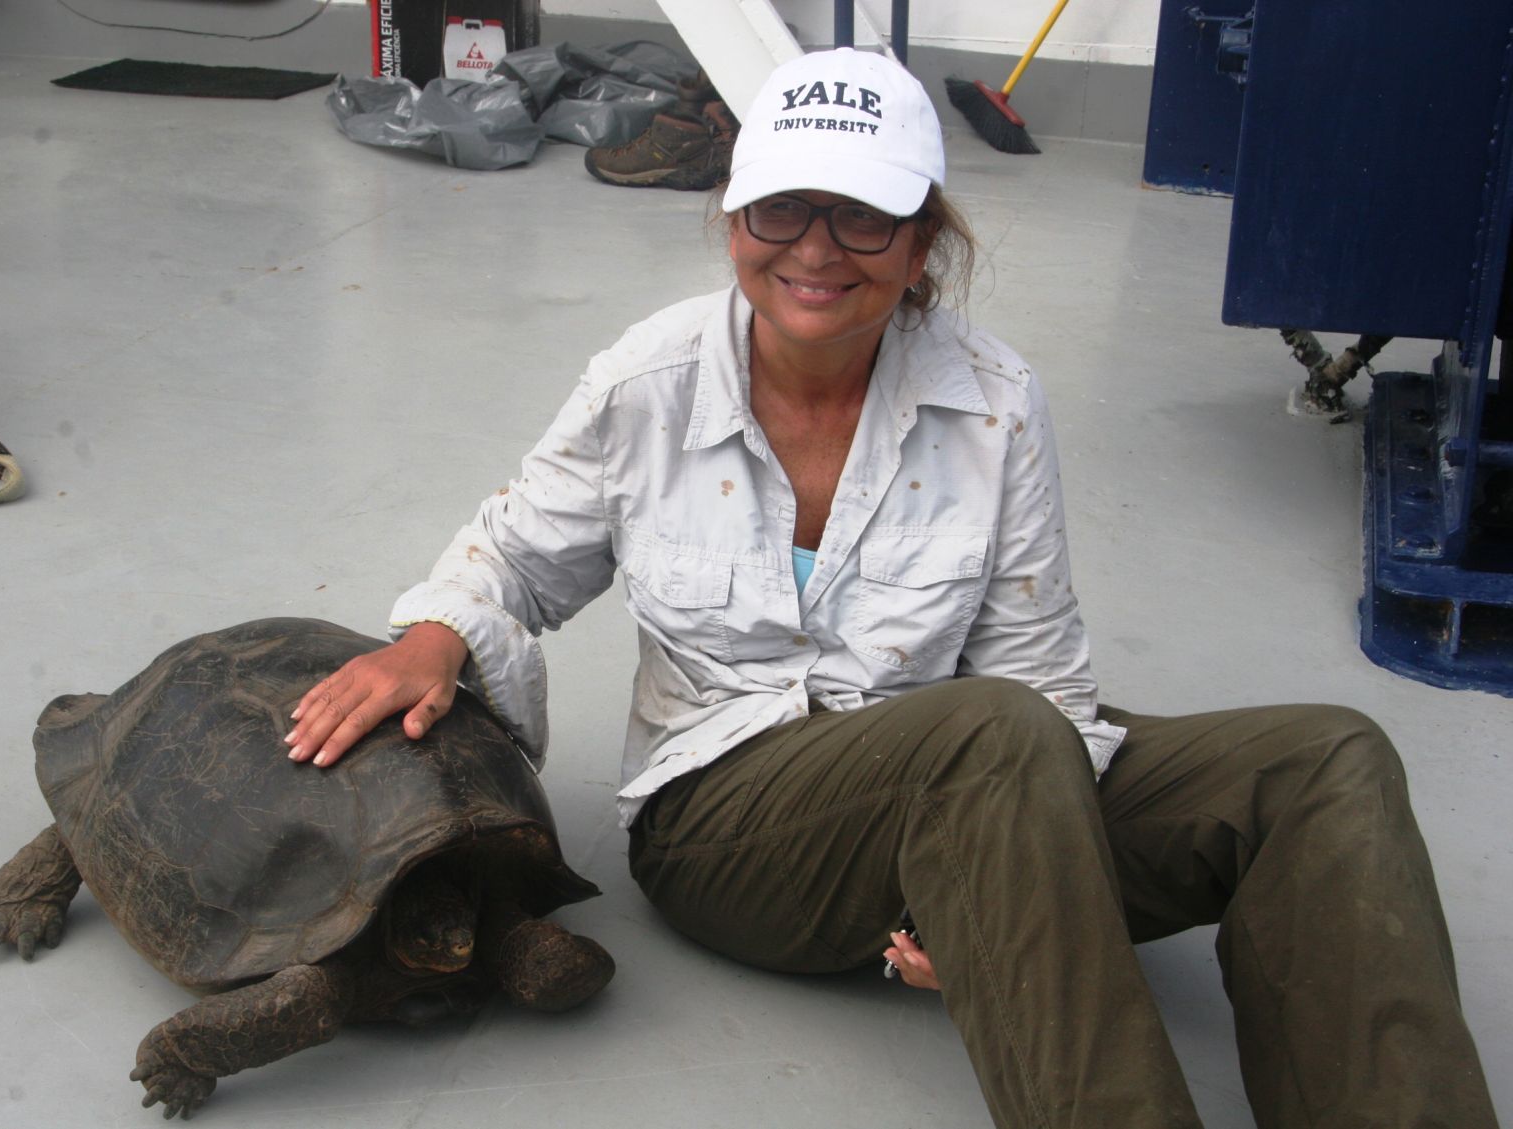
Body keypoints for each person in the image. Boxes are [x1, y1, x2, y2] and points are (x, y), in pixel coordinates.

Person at [283, 48, 1499, 1129]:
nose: (817, 248)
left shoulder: (994, 399)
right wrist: (436, 633)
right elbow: (513, 554)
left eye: (865, 217)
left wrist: (1003, 888)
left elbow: (1035, 668)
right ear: (731, 217)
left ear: (923, 243)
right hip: (730, 819)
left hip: (969, 774)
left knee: (1322, 760)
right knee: (987, 738)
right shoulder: (646, 380)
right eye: (784, 207)